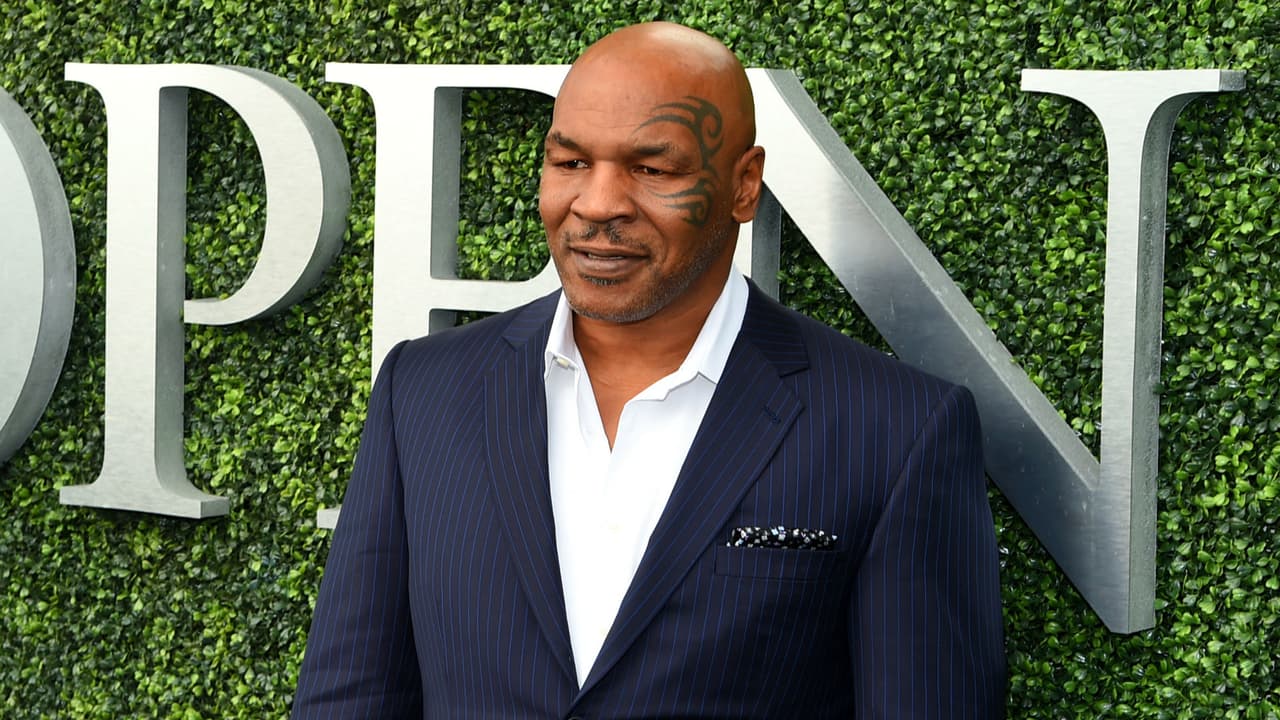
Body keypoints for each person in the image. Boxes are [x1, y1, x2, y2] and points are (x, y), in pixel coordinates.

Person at [292, 21, 1005, 719]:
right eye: (570, 163)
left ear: (744, 185)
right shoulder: (424, 389)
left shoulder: (897, 428)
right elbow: (349, 695)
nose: (598, 204)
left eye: (652, 169)